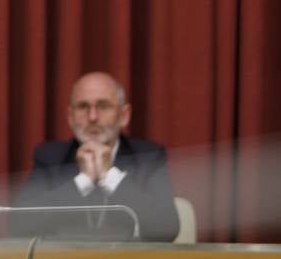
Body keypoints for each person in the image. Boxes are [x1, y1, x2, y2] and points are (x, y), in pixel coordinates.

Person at [11, 71, 179, 241]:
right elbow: (19, 225)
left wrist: (109, 176)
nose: (92, 117)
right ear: (70, 117)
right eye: (83, 107)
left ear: (124, 115)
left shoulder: (148, 157)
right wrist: (84, 181)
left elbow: (166, 229)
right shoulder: (50, 157)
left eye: (103, 106)